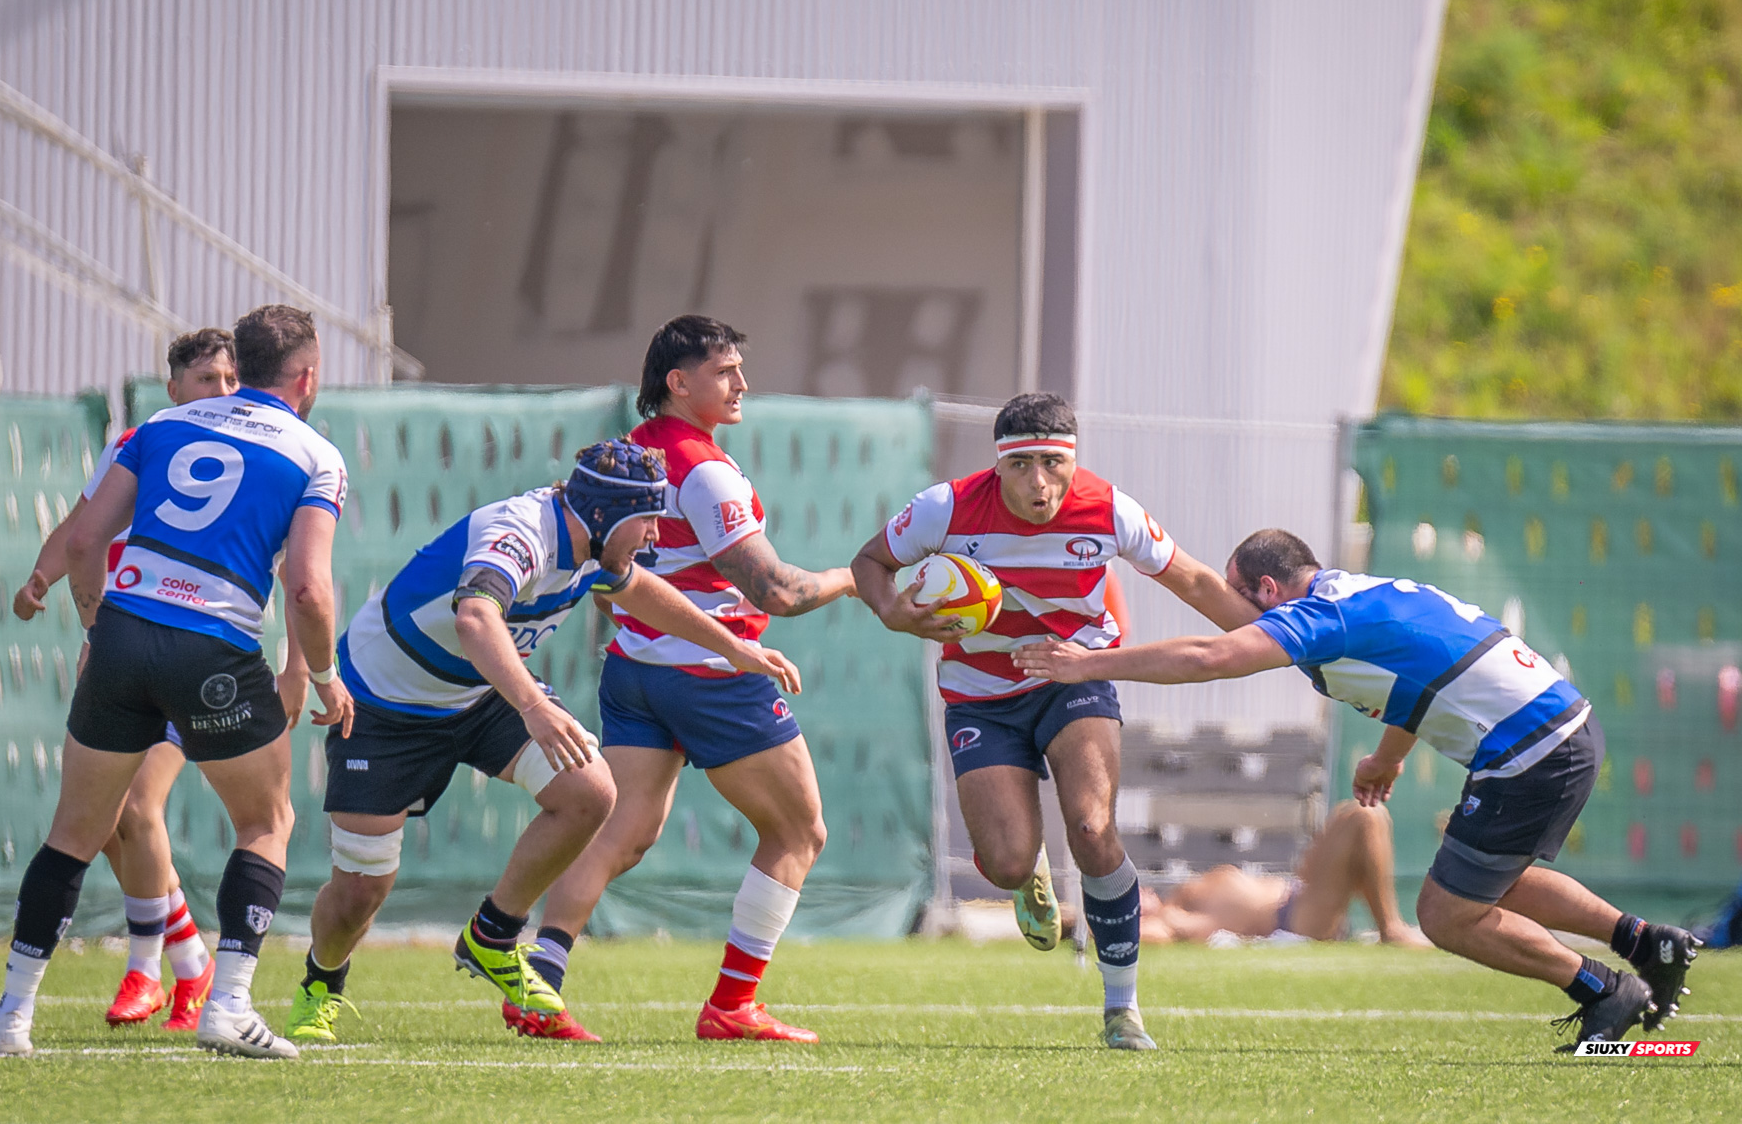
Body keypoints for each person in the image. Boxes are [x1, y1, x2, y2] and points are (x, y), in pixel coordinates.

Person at [1015, 527, 1700, 1050]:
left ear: (1268, 590)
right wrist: (1387, 756)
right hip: (1559, 727)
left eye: (1243, 604)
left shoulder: (1323, 616)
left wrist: (1089, 666)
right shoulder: (1362, 594)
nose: (1247, 622)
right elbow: (1420, 673)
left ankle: (1604, 989)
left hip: (1531, 748)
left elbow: (1212, 657)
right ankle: (1647, 943)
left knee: (1445, 914)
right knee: (1492, 884)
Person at [283, 436, 804, 1046]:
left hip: (480, 694)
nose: (656, 538)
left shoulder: (595, 544)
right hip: (385, 704)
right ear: (607, 516)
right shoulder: (522, 532)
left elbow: (637, 591)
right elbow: (474, 617)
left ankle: (493, 936)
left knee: (589, 791)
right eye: (649, 522)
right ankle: (321, 983)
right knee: (360, 891)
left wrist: (733, 647)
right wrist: (532, 705)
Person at [0, 304, 353, 1060]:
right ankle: (227, 1004)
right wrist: (322, 675)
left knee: (75, 832)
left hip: (123, 635)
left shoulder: (156, 428)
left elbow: (86, 540)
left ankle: (11, 1017)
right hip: (213, 650)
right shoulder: (317, 455)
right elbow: (310, 591)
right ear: (307, 376)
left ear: (237, 367)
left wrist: (97, 630)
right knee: (265, 823)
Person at [851, 391, 1259, 1052]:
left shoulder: (1108, 509)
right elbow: (870, 562)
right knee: (1006, 862)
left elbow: (1195, 581)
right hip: (980, 694)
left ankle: (1121, 1006)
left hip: (1074, 679)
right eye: (1022, 466)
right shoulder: (946, 508)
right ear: (998, 467)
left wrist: (1285, 640)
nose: (1038, 482)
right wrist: (892, 610)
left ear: (1072, 461)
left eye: (1052, 463)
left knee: (1094, 827)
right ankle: (1028, 873)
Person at [531, 316, 855, 1045]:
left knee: (621, 835)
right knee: (799, 831)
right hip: (712, 674)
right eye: (724, 371)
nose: (742, 383)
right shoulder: (702, 468)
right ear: (678, 383)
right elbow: (777, 590)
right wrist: (851, 579)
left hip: (635, 668)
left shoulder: (629, 453)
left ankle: (539, 984)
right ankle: (733, 1005)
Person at [11, 328, 237, 1030]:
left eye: (232, 378)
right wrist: (42, 576)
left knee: (136, 808)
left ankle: (148, 970)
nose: (223, 391)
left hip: (195, 651)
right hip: (122, 648)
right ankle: (191, 963)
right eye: (206, 379)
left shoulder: (257, 449)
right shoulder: (149, 441)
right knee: (108, 823)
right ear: (173, 388)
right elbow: (83, 528)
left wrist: (300, 664)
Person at [1130, 802, 1429, 947]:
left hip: (1297, 892)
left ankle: (1390, 929)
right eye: (1133, 899)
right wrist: (1103, 924)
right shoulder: (1171, 918)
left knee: (1350, 814)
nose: (1141, 891)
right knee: (1365, 816)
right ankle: (1391, 929)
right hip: (1293, 917)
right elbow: (1139, 936)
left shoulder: (1181, 897)